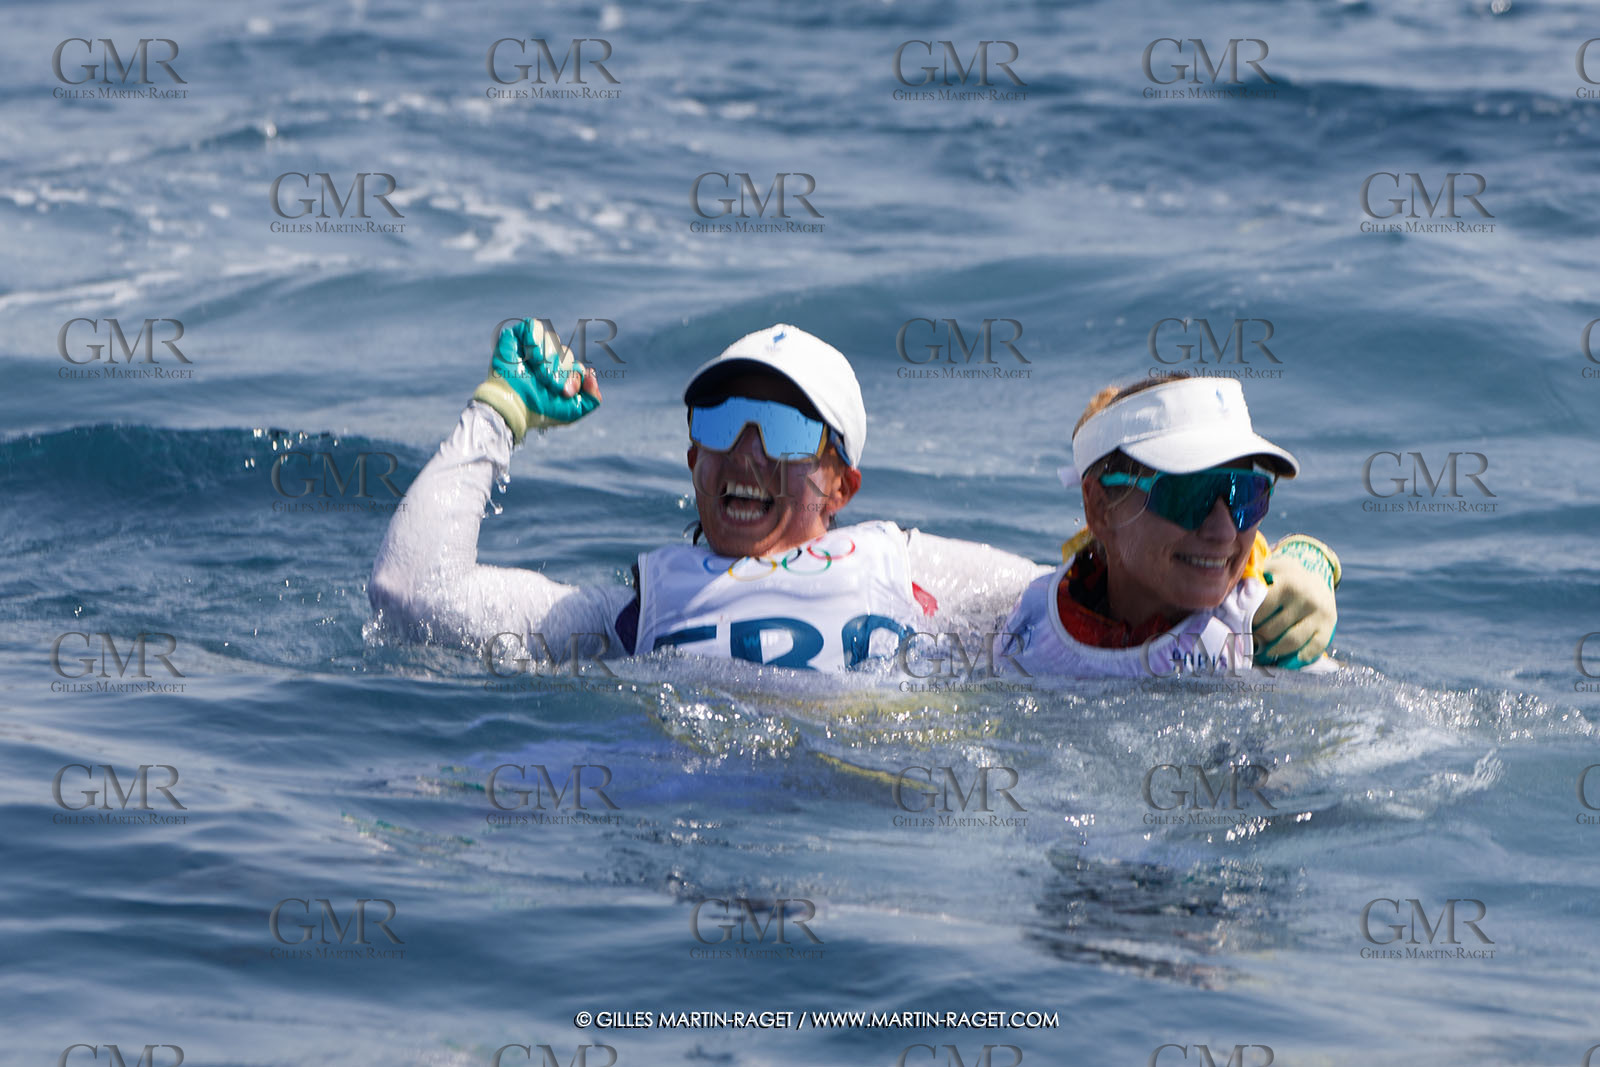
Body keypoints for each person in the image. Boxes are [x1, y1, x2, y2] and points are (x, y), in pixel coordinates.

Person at [369, 320, 1337, 675]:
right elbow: (414, 596)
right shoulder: (632, 610)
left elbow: (1118, 586)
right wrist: (496, 416)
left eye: (787, 431)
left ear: (841, 481)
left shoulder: (910, 569)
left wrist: (1289, 565)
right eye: (720, 420)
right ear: (690, 457)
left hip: (872, 860)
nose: (746, 449)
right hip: (663, 846)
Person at [999, 375, 1341, 678]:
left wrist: (1311, 557)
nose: (1223, 532)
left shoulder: (1266, 643)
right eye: (1187, 495)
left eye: (1245, 494)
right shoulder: (1027, 620)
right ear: (1100, 507)